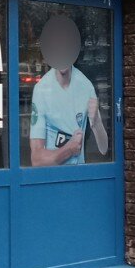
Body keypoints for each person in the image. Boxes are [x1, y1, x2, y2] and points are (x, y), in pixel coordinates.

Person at [28, 15, 109, 166]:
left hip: (79, 176)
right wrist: (69, 150)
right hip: (53, 177)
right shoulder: (41, 90)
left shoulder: (86, 86)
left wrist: (97, 121)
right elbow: (36, 159)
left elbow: (104, 148)